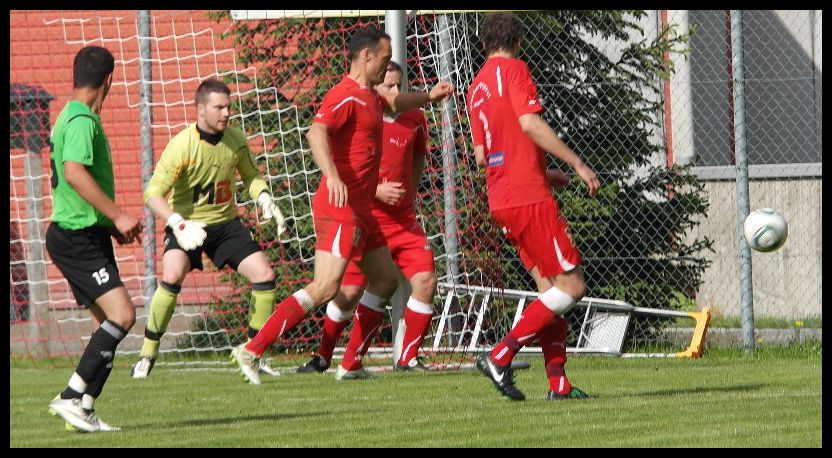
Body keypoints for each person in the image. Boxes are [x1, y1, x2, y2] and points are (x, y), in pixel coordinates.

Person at [231, 26, 453, 385]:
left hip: (362, 211)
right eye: (383, 58)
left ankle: (350, 364)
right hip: (341, 208)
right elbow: (316, 132)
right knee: (325, 287)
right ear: (367, 57)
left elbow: (395, 103)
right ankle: (253, 349)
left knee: (382, 280)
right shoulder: (345, 94)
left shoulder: (371, 95)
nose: (387, 66)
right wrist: (332, 175)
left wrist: (429, 96)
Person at [467, 12, 601, 401]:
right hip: (527, 197)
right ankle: (500, 354)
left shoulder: (476, 87)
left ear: (484, 43)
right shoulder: (514, 69)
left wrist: (544, 172)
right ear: (518, 40)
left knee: (549, 290)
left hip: (502, 199)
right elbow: (527, 123)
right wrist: (575, 162)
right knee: (572, 285)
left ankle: (558, 385)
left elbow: (481, 155)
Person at [130, 78, 286, 379]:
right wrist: (177, 222)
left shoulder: (236, 141)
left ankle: (253, 353)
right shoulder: (181, 146)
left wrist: (264, 197)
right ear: (201, 110)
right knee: (172, 276)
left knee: (265, 275)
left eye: (229, 107)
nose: (227, 113)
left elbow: (251, 176)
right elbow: (152, 194)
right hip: (188, 226)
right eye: (220, 107)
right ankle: (147, 354)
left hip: (226, 226)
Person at [296, 61, 438, 374]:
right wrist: (377, 191)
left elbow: (417, 157)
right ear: (374, 87)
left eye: (399, 84)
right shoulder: (363, 117)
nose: (396, 91)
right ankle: (323, 356)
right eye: (389, 85)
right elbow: (347, 169)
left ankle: (408, 358)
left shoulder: (414, 119)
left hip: (403, 222)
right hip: (367, 219)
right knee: (346, 294)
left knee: (426, 280)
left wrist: (409, 196)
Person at [45, 45, 144, 432]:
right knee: (123, 315)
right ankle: (71, 396)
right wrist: (118, 214)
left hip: (84, 233)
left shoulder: (66, 116)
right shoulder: (83, 120)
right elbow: (74, 174)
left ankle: (84, 408)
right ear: (108, 81)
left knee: (106, 325)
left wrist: (108, 222)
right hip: (77, 238)